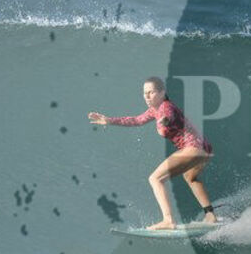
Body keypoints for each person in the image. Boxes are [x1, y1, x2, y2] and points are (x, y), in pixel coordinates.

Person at [88, 76, 216, 230]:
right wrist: (109, 120)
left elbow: (170, 115)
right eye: (144, 93)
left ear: (162, 92)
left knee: (155, 179)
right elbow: (136, 120)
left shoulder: (166, 107)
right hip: (204, 149)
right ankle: (210, 214)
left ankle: (168, 220)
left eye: (151, 92)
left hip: (193, 148)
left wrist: (165, 121)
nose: (147, 96)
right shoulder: (154, 110)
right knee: (190, 177)